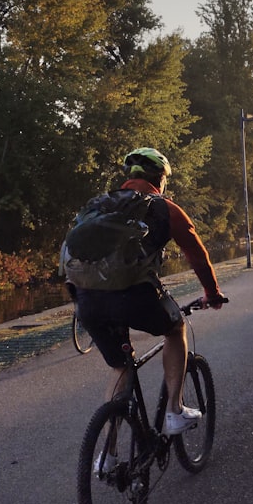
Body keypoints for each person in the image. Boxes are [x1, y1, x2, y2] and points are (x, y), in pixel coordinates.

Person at [72, 147, 226, 435]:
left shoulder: (96, 207)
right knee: (175, 328)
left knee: (121, 367)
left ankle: (107, 454)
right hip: (135, 297)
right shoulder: (164, 208)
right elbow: (197, 255)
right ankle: (175, 412)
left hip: (88, 301)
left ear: (128, 178)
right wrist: (212, 293)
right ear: (160, 179)